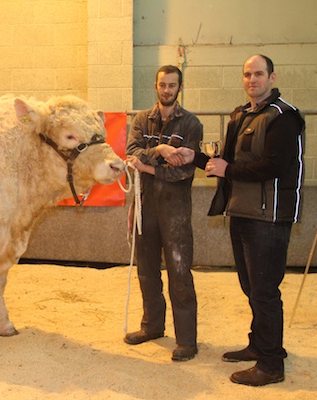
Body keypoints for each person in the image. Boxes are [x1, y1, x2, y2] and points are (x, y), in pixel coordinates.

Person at [171, 54, 305, 386]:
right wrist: (197, 158)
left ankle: (272, 364)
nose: (252, 80)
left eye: (258, 74)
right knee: (251, 286)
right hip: (242, 211)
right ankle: (260, 344)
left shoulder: (284, 117)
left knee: (264, 290)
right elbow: (225, 162)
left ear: (272, 77)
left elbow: (273, 166)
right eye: (247, 74)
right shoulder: (240, 115)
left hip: (269, 217)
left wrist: (227, 169)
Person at [124, 65, 203, 362]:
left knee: (180, 273)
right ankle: (152, 326)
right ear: (155, 86)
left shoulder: (192, 125)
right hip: (145, 205)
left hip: (175, 209)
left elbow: (183, 172)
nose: (167, 90)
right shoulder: (142, 119)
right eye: (162, 84)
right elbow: (131, 152)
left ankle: (186, 340)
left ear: (180, 87)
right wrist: (160, 151)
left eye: (172, 85)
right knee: (146, 270)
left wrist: (147, 167)